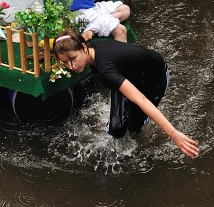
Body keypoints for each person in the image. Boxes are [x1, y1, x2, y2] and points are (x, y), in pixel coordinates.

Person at [52, 29, 199, 158]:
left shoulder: (106, 69)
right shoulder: (92, 50)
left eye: (73, 58)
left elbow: (141, 99)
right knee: (116, 129)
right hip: (128, 75)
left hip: (154, 78)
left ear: (83, 47)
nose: (71, 66)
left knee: (135, 127)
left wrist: (174, 134)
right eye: (65, 62)